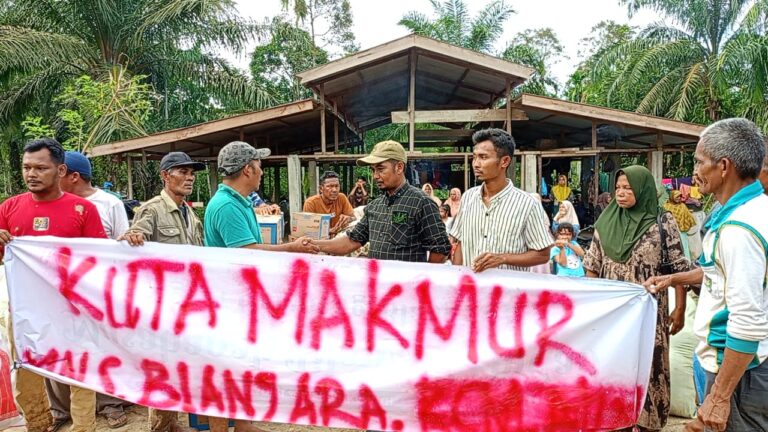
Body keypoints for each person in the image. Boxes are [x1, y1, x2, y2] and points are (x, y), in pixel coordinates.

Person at [644, 118, 768, 432]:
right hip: (743, 366)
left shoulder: (739, 229)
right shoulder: (752, 211)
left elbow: (747, 319)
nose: (695, 171)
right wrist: (674, 280)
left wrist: (720, 396)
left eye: (699, 162)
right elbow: (722, 275)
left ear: (723, 166)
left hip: (741, 369)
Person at [203, 141, 318, 432]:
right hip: (226, 301)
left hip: (238, 298)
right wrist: (291, 249)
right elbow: (248, 251)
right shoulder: (227, 206)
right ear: (247, 170)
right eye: (260, 166)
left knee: (239, 367)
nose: (262, 172)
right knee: (225, 370)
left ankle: (242, 425)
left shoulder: (238, 201)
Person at [0, 138, 106, 432]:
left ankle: (84, 428)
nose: (31, 174)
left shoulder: (83, 210)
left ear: (60, 170)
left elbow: (101, 259)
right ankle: (37, 424)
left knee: (79, 374)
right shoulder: (9, 209)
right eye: (26, 167)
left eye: (40, 168)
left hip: (71, 308)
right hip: (25, 311)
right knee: (26, 374)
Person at [584, 165, 689, 432]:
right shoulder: (605, 222)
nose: (621, 193)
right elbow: (592, 267)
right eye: (618, 187)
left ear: (642, 190)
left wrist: (680, 308)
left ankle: (648, 422)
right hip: (613, 315)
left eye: (628, 188)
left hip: (649, 314)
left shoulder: (662, 222)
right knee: (614, 365)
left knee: (649, 364)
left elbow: (678, 269)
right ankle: (614, 419)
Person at [118, 151, 206, 432]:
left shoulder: (190, 213)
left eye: (192, 172)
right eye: (182, 171)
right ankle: (161, 425)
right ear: (165, 176)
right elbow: (136, 235)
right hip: (160, 306)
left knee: (179, 367)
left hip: (186, 305)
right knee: (161, 369)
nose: (189, 177)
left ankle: (172, 422)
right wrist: (133, 236)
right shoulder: (152, 209)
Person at [50, 151, 131, 428]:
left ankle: (109, 403)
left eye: (57, 172)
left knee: (102, 346)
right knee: (60, 347)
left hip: (99, 290)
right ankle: (61, 411)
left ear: (73, 176)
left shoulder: (109, 203)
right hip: (59, 291)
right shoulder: (51, 204)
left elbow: (123, 244)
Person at [315, 140, 451, 263]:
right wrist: (314, 244)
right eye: (373, 170)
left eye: (380, 169)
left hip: (406, 287)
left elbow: (440, 249)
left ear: (399, 167)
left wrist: (421, 281)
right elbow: (352, 241)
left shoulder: (422, 203)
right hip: (377, 287)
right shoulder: (374, 206)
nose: (375, 176)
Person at [450, 128, 552, 272]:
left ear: (504, 161)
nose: (476, 164)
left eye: (483, 157)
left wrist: (503, 258)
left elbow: (542, 254)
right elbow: (461, 244)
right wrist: (458, 279)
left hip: (508, 292)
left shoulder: (527, 204)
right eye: (474, 157)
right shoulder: (468, 197)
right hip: (472, 289)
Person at [60, 151, 129, 240]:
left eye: (57, 175)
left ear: (74, 177)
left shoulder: (111, 204)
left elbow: (123, 243)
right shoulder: (53, 203)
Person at [303, 171, 355, 237]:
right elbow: (307, 229)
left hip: (338, 239)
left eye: (337, 186)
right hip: (318, 240)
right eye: (330, 186)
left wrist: (348, 218)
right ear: (321, 189)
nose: (334, 190)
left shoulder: (342, 198)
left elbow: (354, 218)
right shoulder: (311, 203)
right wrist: (330, 231)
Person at [664, 190, 696, 260]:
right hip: (671, 232)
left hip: (682, 231)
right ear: (672, 197)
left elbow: (688, 217)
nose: (678, 198)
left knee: (684, 247)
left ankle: (687, 262)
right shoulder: (666, 207)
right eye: (676, 196)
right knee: (674, 249)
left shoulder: (682, 206)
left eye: (680, 196)